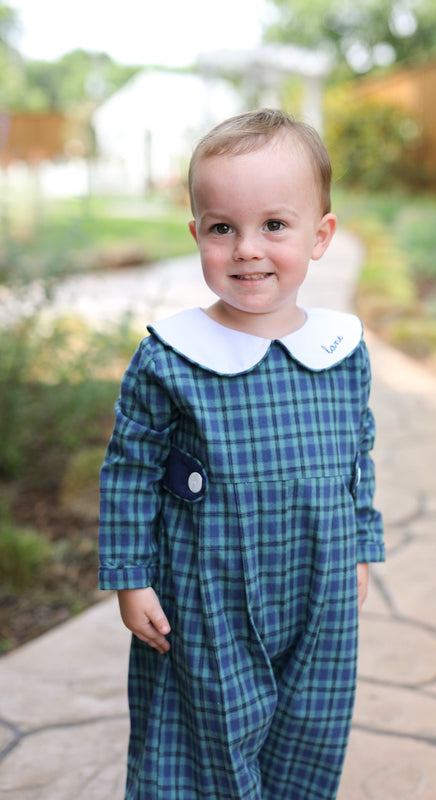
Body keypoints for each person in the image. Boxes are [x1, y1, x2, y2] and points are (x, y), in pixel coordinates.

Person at [99, 108, 384, 800]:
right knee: (205, 741)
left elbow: (357, 454)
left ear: (320, 237)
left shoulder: (339, 353)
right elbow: (130, 472)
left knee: (308, 728)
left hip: (316, 580)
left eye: (274, 226)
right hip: (207, 592)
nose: (247, 249)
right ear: (197, 234)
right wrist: (131, 577)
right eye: (223, 228)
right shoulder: (170, 358)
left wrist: (359, 544)